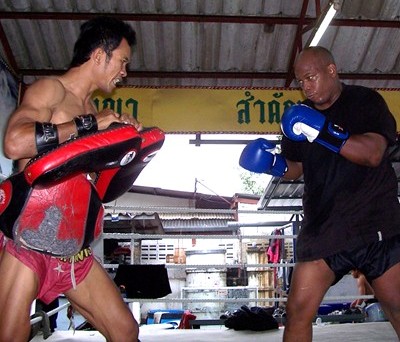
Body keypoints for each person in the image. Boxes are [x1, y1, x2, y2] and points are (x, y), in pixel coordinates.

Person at [239, 46, 400, 341]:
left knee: (397, 306)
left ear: (331, 70)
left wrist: (320, 130)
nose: (306, 87)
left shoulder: (365, 101)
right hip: (325, 228)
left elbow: (373, 154)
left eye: (310, 77)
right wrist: (271, 164)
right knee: (298, 311)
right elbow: (297, 168)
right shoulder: (299, 118)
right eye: (300, 82)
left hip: (374, 224)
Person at [0, 16, 142, 342]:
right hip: (29, 241)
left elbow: (97, 187)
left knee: (124, 330)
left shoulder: (94, 110)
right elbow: (14, 142)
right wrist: (89, 127)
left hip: (72, 249)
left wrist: (124, 147)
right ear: (98, 56)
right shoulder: (51, 89)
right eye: (122, 61)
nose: (124, 71)